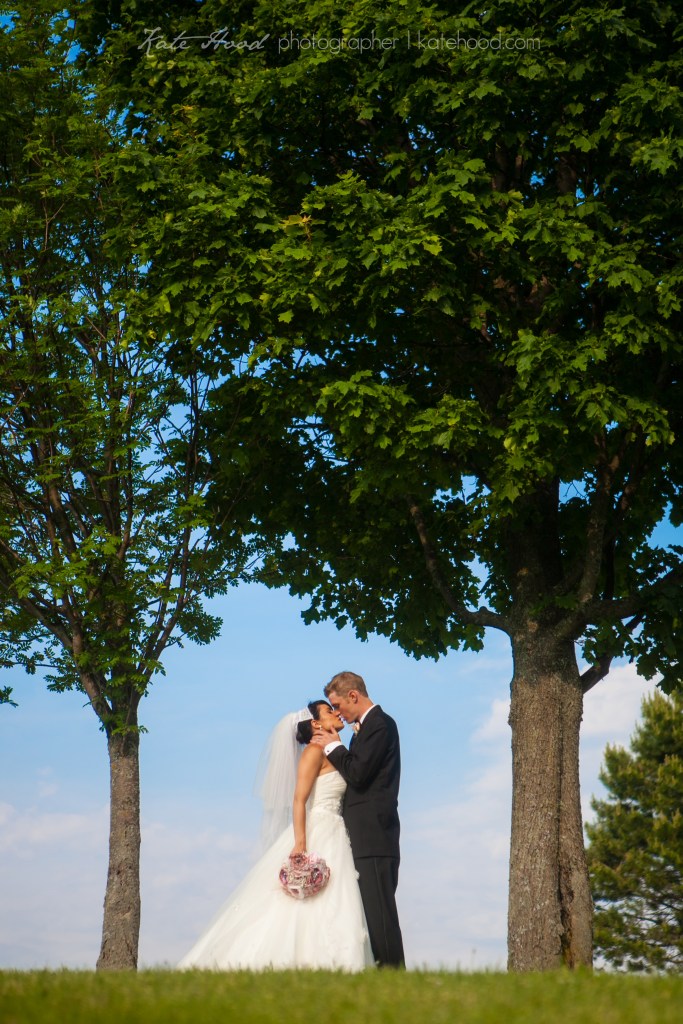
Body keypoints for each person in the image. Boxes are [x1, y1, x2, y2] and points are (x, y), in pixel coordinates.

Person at [178, 700, 374, 971]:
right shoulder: (314, 752)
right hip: (318, 828)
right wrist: (301, 843)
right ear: (315, 723)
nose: (337, 713)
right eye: (329, 711)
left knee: (337, 900)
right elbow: (299, 799)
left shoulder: (334, 751)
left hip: (336, 830)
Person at [312, 671, 405, 968]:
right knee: (369, 917)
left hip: (374, 836)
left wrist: (332, 746)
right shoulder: (363, 730)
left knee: (381, 920)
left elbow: (358, 773)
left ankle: (394, 980)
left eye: (338, 705)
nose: (337, 712)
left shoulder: (380, 725)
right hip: (364, 837)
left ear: (353, 695)